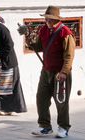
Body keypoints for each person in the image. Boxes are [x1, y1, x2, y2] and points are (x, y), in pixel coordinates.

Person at [19, 5, 75, 138]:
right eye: (46, 19)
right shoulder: (43, 30)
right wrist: (26, 34)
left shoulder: (65, 33)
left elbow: (69, 56)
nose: (47, 21)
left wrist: (64, 72)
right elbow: (36, 46)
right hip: (46, 71)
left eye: (50, 19)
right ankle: (45, 126)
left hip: (60, 73)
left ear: (56, 19)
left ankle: (63, 127)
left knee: (61, 101)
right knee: (41, 98)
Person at [0, 7, 27, 115]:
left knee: (8, 87)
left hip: (7, 62)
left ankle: (10, 109)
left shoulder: (1, 29)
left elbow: (9, 45)